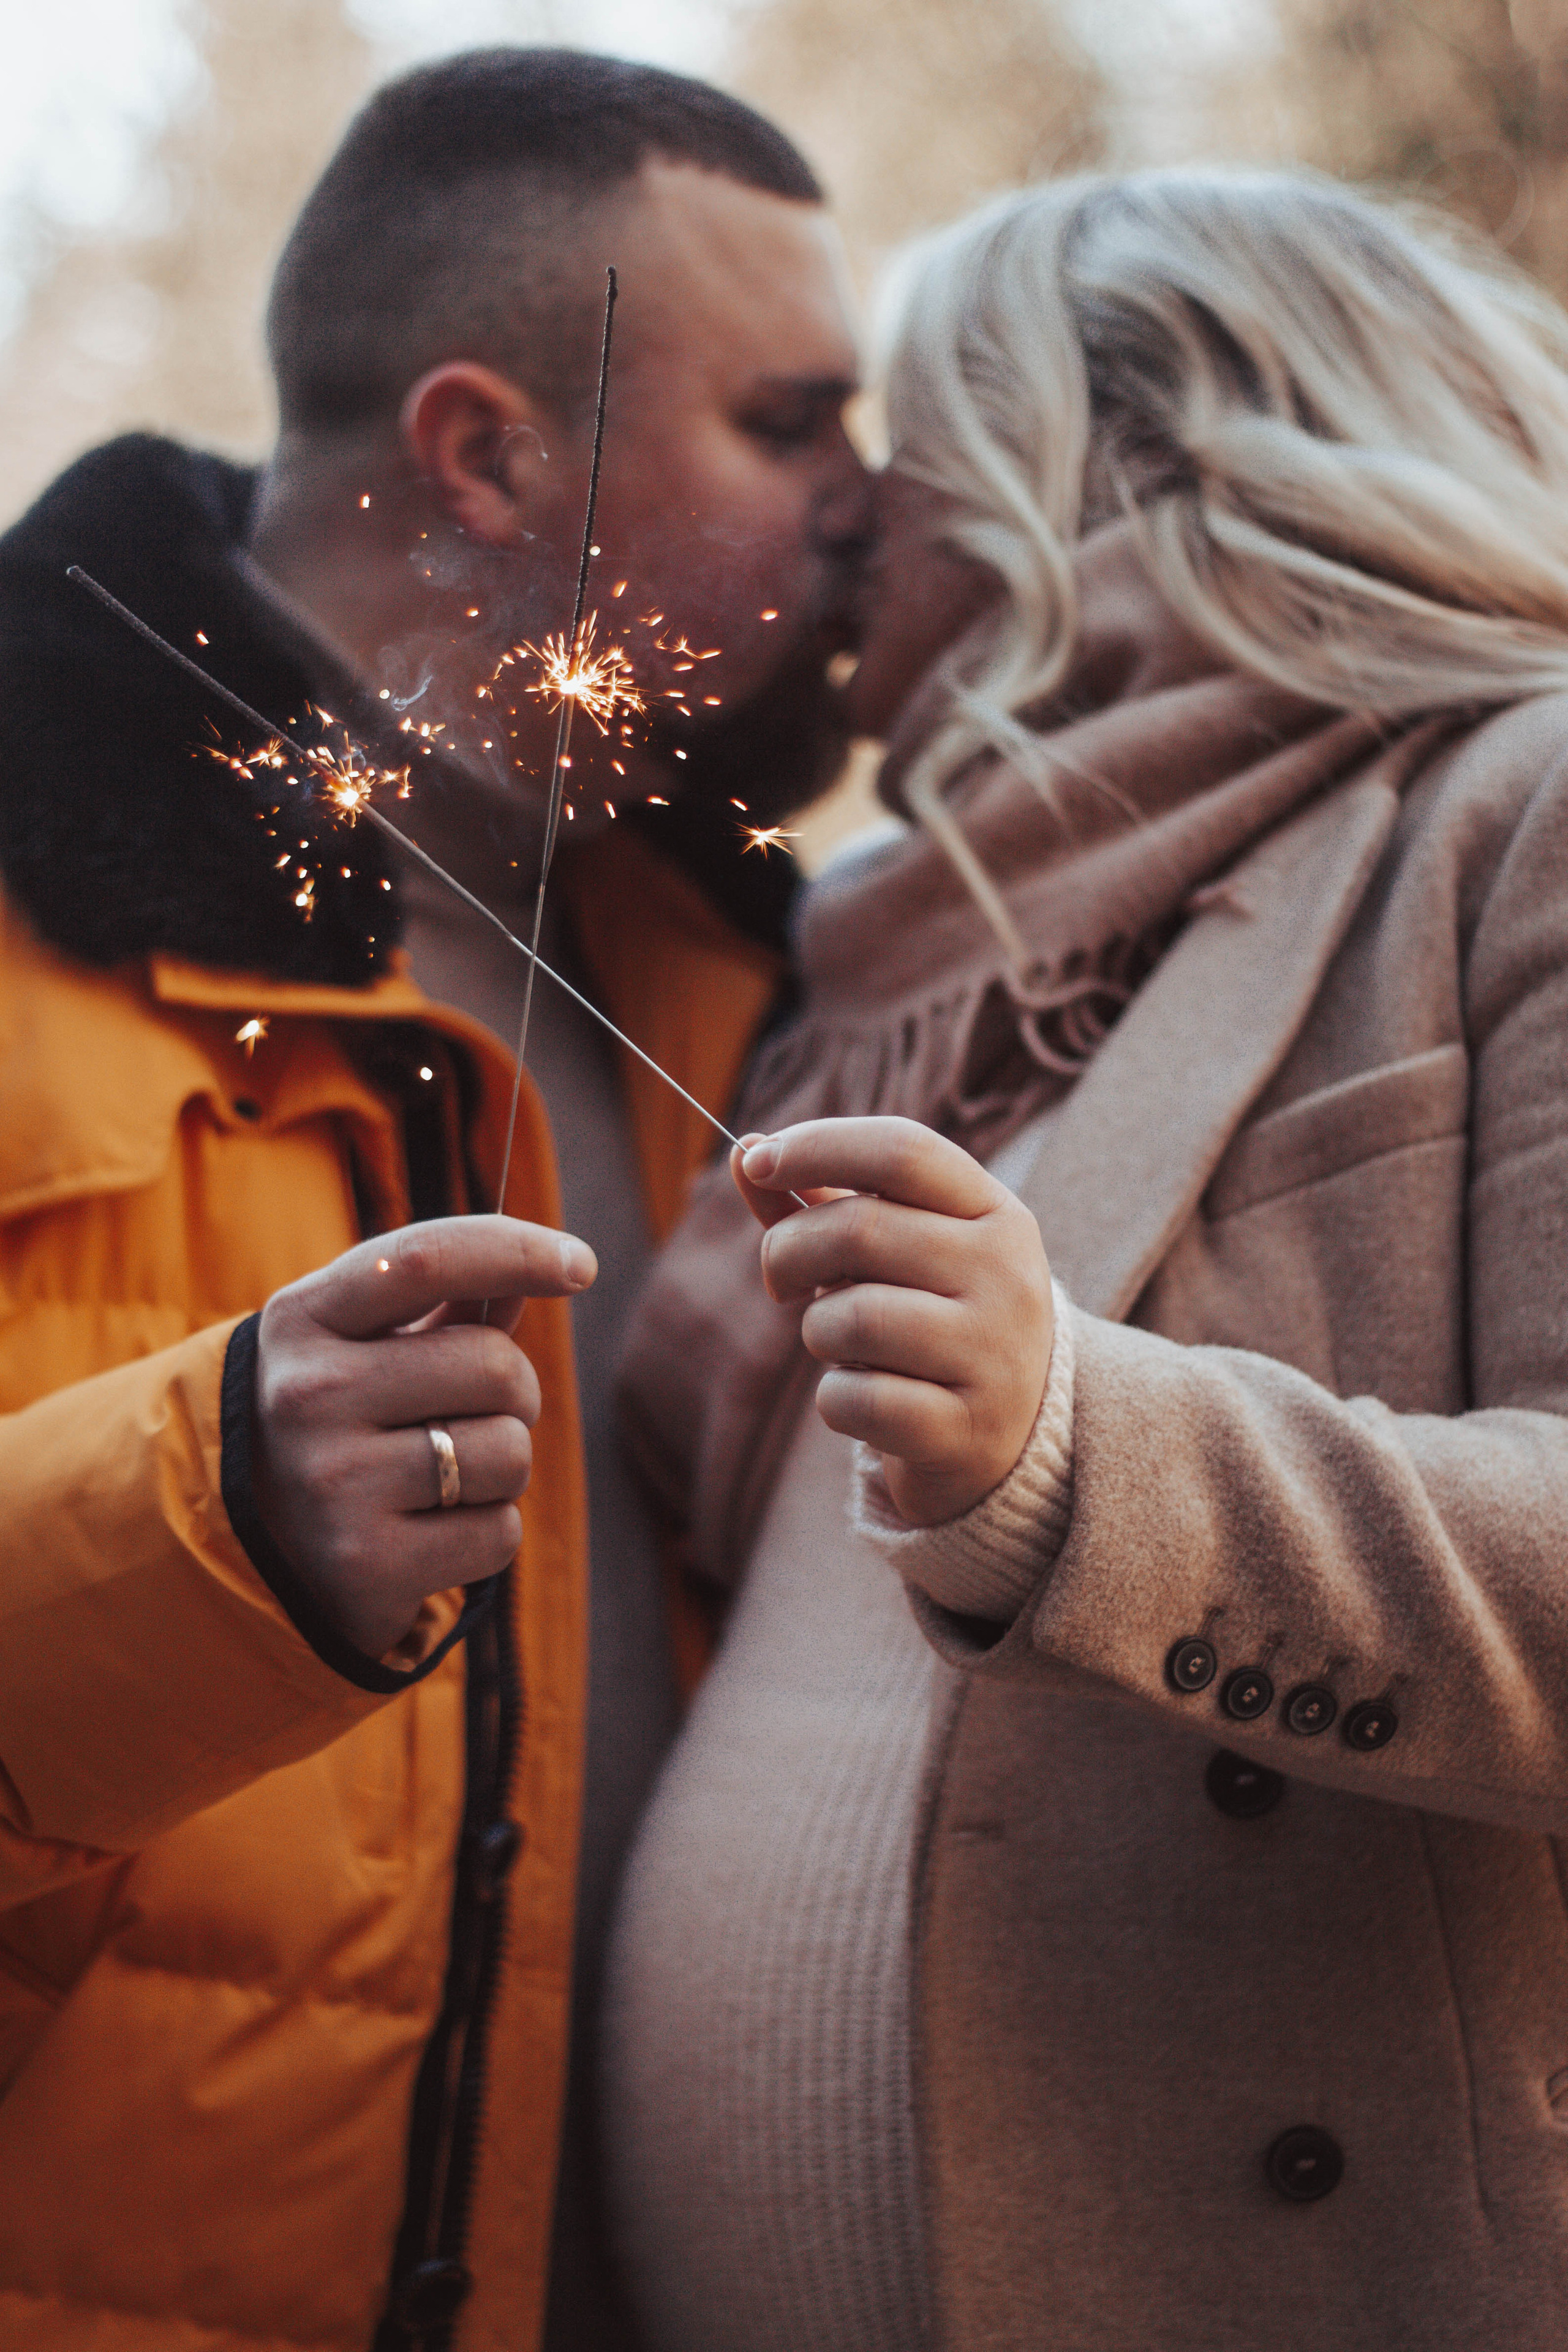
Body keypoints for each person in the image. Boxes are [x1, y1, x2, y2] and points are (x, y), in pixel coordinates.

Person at [609, 169, 1568, 2351]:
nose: (853, 510)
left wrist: (1075, 1456)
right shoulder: (878, 974)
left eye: (911, 436)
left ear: (1121, 454)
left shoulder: (1519, 808)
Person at [0, 48, 865, 2352]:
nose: (870, 504)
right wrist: (208, 1528)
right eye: (789, 423)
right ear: (485, 456)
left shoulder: (785, 988)